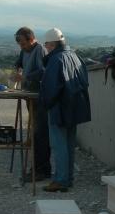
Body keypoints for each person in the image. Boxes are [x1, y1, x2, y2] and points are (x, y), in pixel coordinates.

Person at [40, 28, 91, 192]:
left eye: (47, 45)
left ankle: (61, 180)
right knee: (69, 144)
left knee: (59, 145)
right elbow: (85, 82)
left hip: (60, 108)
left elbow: (51, 88)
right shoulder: (75, 56)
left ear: (53, 44)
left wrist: (45, 104)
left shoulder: (56, 60)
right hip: (75, 106)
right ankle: (67, 179)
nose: (46, 48)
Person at [14, 26, 51, 180]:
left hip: (39, 98)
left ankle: (41, 171)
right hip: (29, 97)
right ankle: (37, 169)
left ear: (31, 39)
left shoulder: (40, 50)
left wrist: (26, 76)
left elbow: (44, 71)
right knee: (35, 133)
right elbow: (19, 63)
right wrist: (16, 70)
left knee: (40, 134)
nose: (21, 47)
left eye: (23, 43)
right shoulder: (25, 50)